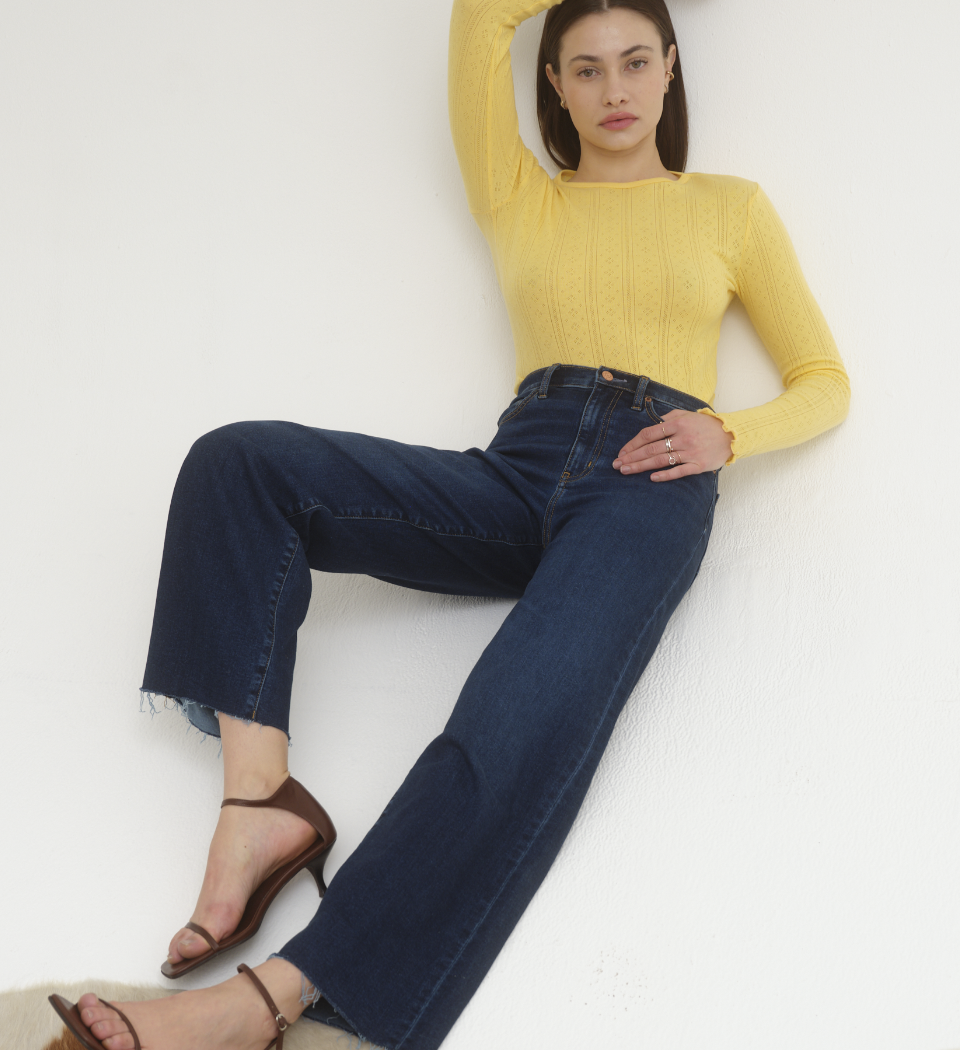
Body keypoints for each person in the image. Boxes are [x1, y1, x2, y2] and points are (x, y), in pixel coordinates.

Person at [48, 0, 850, 1047]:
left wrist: (728, 434)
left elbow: (824, 379)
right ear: (553, 84)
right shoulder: (518, 191)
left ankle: (266, 1001)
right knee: (238, 463)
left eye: (635, 62)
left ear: (670, 69)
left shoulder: (730, 208)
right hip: (520, 464)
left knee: (512, 717)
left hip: (645, 484)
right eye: (586, 68)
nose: (614, 90)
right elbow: (482, 17)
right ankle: (260, 804)